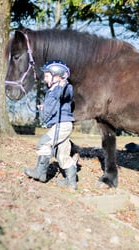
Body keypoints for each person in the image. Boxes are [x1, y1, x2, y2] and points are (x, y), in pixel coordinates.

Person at [24, 60, 79, 189]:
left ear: (57, 76)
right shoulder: (51, 91)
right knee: (62, 155)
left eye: (47, 75)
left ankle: (40, 173)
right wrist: (43, 107)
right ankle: (71, 182)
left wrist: (63, 83)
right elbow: (53, 107)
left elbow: (67, 95)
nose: (44, 78)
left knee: (43, 143)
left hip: (63, 124)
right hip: (59, 125)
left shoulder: (65, 87)